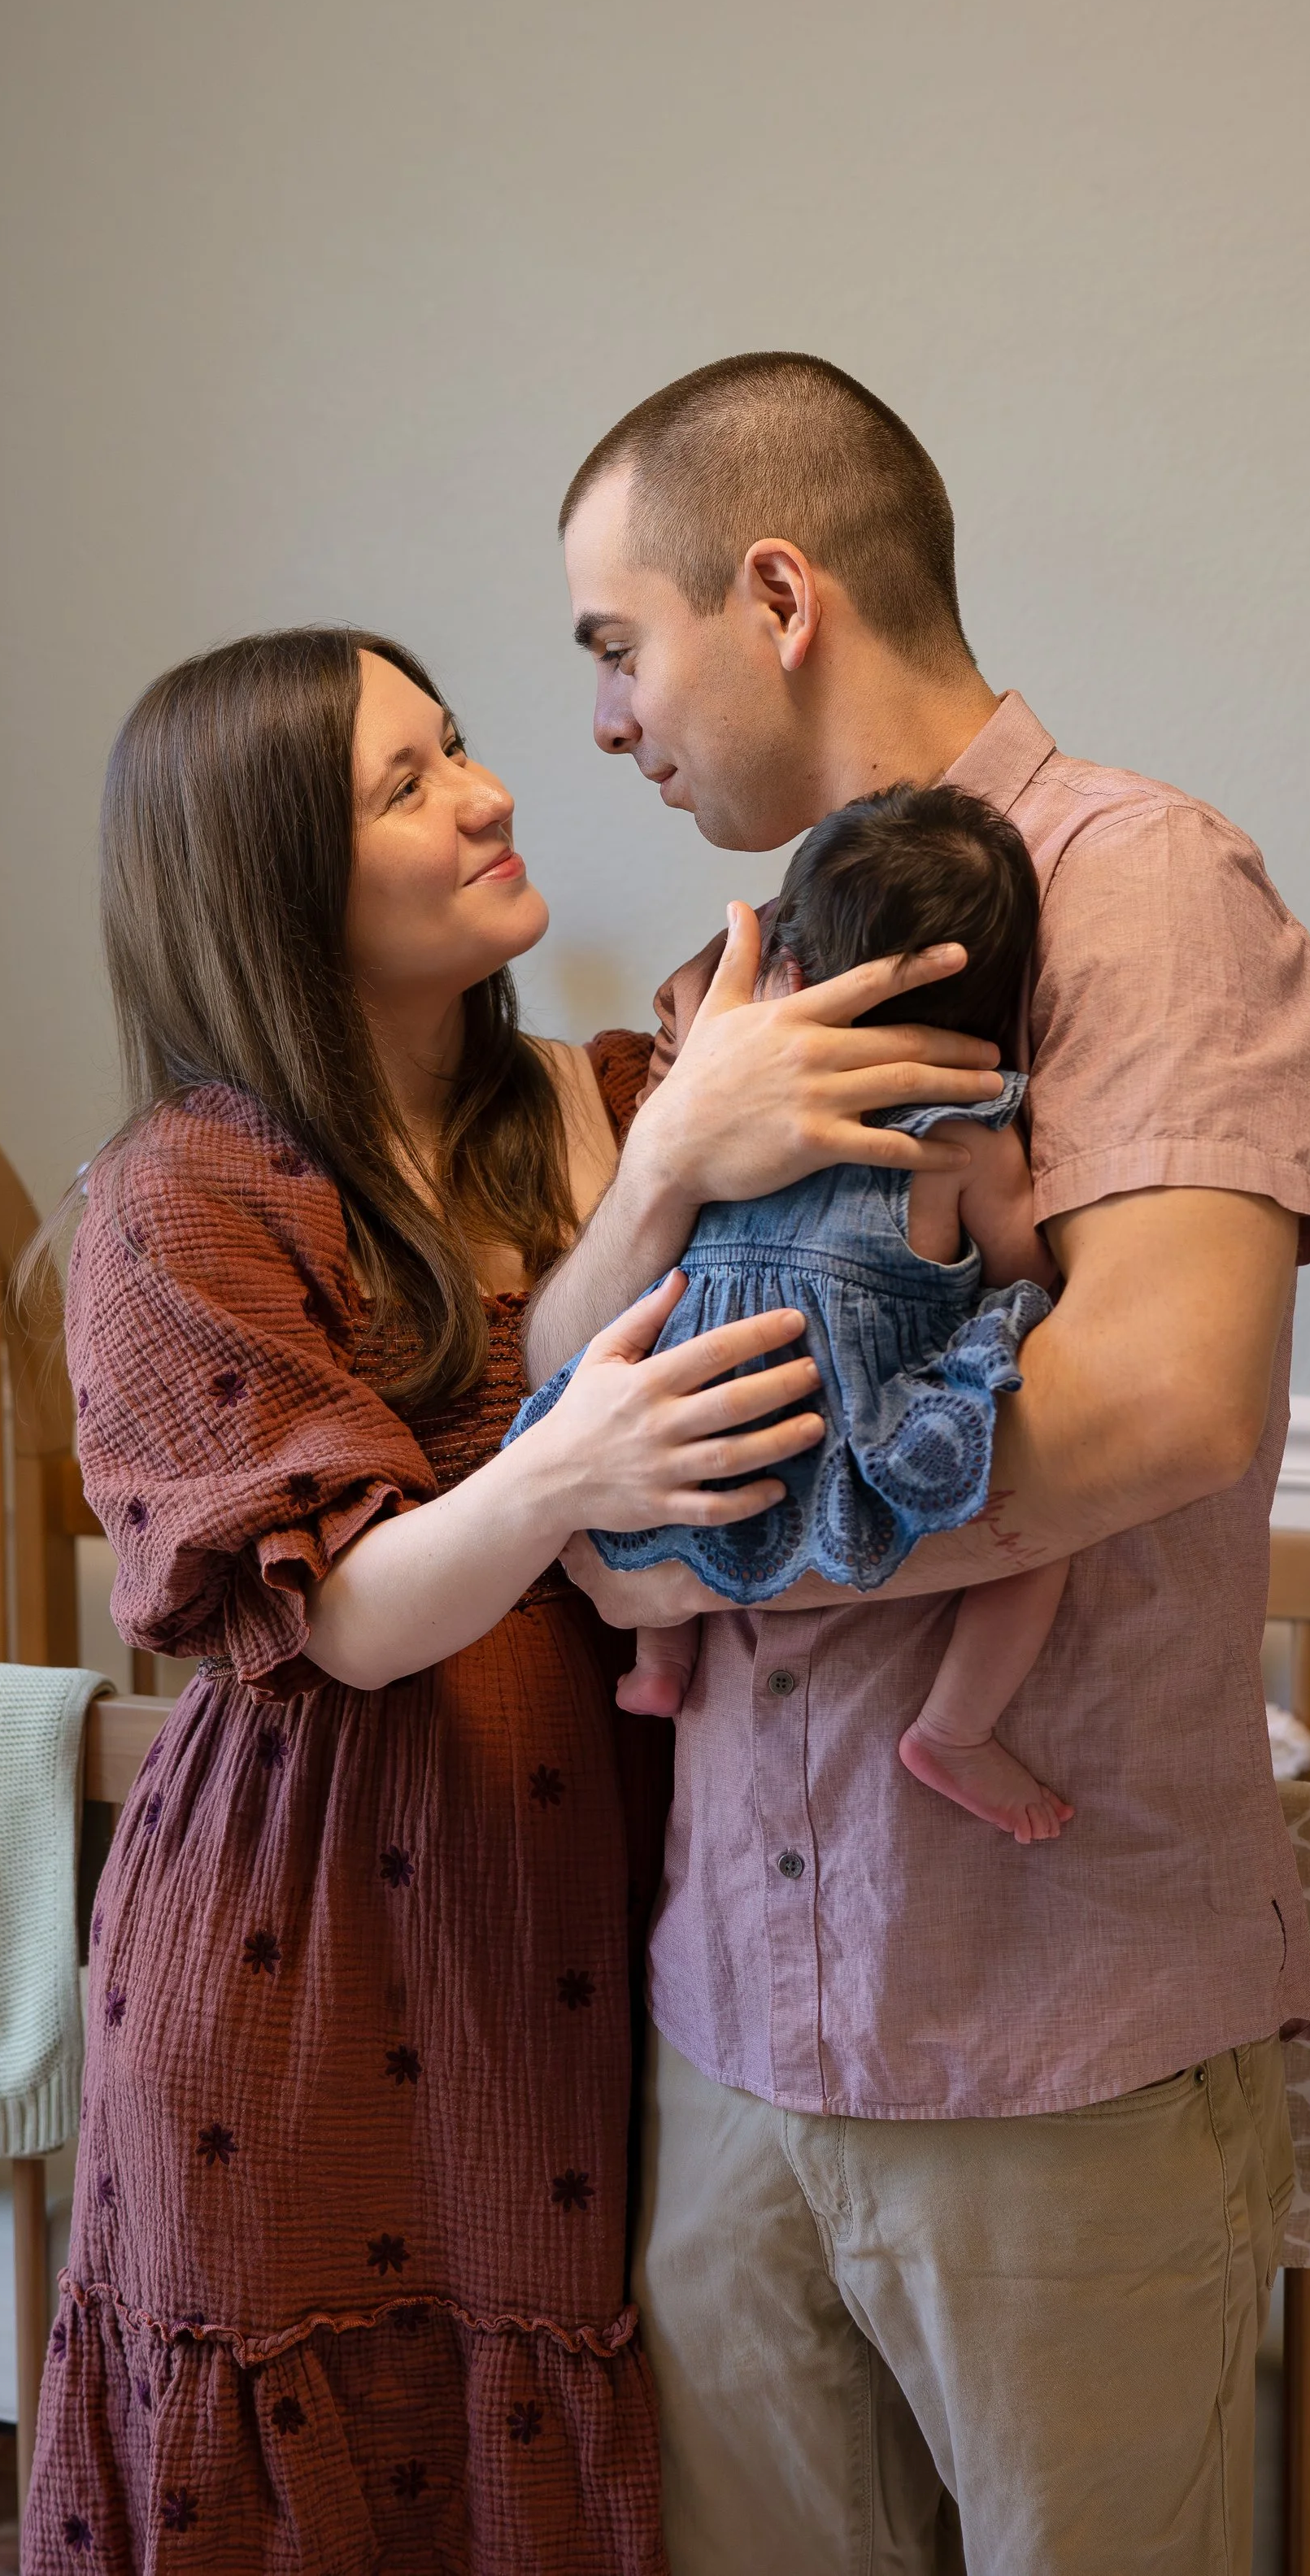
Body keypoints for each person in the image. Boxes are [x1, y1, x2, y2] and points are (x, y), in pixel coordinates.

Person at [20, 624, 994, 2574]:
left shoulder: (610, 1092)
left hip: (581, 1919)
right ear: (272, 884)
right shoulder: (183, 1198)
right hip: (309, 1943)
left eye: (456, 745)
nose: (487, 796)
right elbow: (345, 1618)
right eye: (407, 785)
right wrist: (564, 1469)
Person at [523, 354, 1310, 2576]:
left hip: (1045, 2040)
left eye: (617, 643)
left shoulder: (1140, 887)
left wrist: (686, 1556)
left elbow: (1164, 1395)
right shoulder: (733, 983)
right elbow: (571, 1402)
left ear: (775, 595)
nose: (600, 718)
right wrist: (654, 1176)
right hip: (731, 2032)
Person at [513, 781, 1073, 1848]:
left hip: (690, 1435)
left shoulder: (722, 1108)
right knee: (1044, 1539)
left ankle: (660, 1658)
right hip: (843, 1439)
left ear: (792, 973)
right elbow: (1032, 1271)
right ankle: (954, 1728)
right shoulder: (966, 1137)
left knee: (653, 1502)